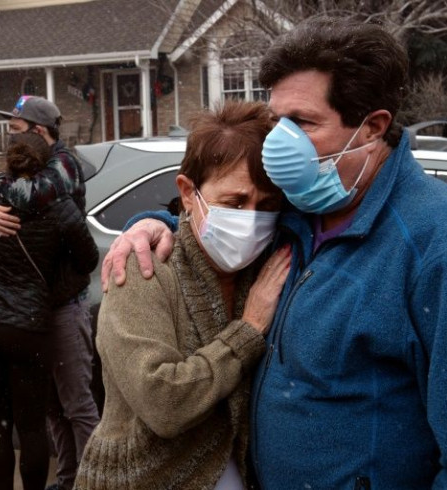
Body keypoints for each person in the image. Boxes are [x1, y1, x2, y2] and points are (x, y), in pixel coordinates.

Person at [100, 16, 447, 489]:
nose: (279, 144)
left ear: (373, 127)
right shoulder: (302, 207)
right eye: (278, 122)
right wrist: (154, 225)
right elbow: (225, 219)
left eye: (303, 123)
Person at [74, 100, 291, 490]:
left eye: (267, 205)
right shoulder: (144, 273)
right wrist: (248, 330)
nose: (252, 219)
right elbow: (163, 404)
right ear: (189, 193)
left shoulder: (264, 272)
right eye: (235, 202)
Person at [0, 95, 101, 490]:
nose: (10, 139)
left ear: (39, 132)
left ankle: (92, 482)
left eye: (16, 130)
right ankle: (68, 478)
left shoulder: (64, 164)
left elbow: (30, 196)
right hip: (32, 310)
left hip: (63, 305)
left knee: (77, 403)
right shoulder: (19, 173)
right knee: (50, 408)